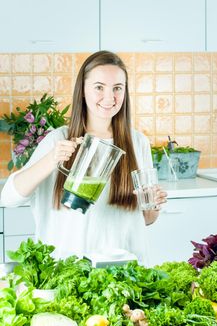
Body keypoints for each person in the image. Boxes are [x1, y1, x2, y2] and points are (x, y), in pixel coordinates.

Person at [1, 51, 167, 266]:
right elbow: (8, 198)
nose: (110, 98)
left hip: (125, 271)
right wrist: (52, 159)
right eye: (99, 87)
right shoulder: (59, 140)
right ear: (83, 91)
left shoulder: (137, 142)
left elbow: (144, 220)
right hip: (68, 271)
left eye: (117, 88)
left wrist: (152, 206)